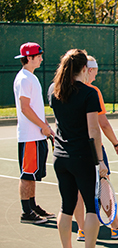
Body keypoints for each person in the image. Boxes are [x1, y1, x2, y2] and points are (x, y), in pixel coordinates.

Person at [48, 49, 107, 248]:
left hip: (60, 158)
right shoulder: (89, 93)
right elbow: (93, 130)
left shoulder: (53, 91)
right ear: (84, 68)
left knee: (66, 207)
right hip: (82, 158)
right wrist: (100, 161)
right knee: (91, 208)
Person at [74, 56, 118, 241]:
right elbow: (102, 124)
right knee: (104, 185)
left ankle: (82, 230)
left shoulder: (63, 89)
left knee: (77, 191)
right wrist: (116, 143)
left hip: (72, 149)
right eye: (95, 72)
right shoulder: (92, 91)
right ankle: (116, 226)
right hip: (92, 150)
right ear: (88, 70)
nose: (95, 77)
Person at [13, 42, 55, 224]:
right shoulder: (23, 78)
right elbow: (25, 108)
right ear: (29, 58)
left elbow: (36, 109)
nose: (41, 58)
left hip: (37, 135)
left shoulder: (31, 77)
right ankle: (26, 213)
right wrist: (42, 126)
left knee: (33, 174)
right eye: (38, 55)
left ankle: (32, 206)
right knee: (27, 175)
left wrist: (47, 127)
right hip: (29, 136)